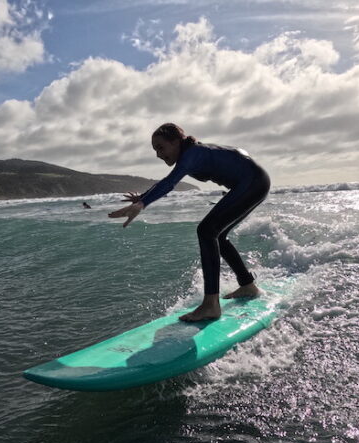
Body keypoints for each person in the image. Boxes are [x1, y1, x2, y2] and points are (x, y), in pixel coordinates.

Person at [108, 123, 270, 322]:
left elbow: (169, 183)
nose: (158, 154)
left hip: (253, 182)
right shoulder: (190, 154)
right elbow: (166, 181)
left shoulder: (192, 154)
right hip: (253, 182)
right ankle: (247, 285)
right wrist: (142, 198)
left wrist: (142, 204)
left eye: (161, 147)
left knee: (206, 231)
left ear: (176, 142)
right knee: (217, 235)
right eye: (155, 150)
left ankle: (211, 305)